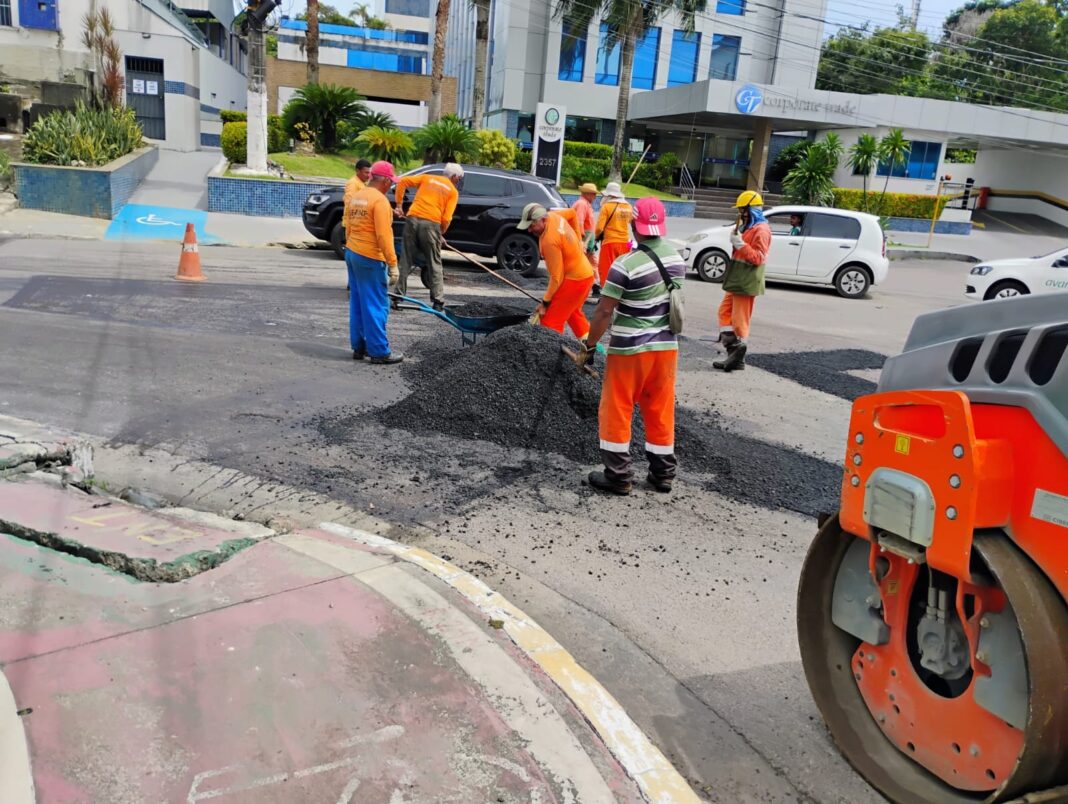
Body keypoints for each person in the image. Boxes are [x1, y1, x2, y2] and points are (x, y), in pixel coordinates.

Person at [576, 197, 685, 496]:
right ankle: (663, 474)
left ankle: (618, 476)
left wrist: (589, 345)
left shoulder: (625, 265)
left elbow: (603, 312)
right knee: (660, 407)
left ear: (634, 224)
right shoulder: (677, 260)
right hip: (666, 348)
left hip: (629, 351)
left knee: (617, 407)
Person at [344, 160, 404, 365]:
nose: (392, 186)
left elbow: (348, 227)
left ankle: (359, 347)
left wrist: (351, 249)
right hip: (370, 257)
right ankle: (378, 351)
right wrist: (393, 264)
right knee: (376, 304)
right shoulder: (380, 201)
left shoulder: (358, 196)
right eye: (391, 182)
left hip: (352, 252)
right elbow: (383, 236)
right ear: (385, 181)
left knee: (358, 301)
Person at [516, 202, 595, 340]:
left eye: (532, 225)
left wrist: (545, 303)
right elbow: (572, 213)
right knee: (572, 313)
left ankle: (550, 352)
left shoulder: (549, 241)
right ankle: (592, 348)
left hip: (575, 280)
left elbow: (556, 277)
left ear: (542, 219)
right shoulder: (553, 216)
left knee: (550, 321)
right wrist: (579, 240)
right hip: (586, 275)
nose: (529, 230)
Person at [714, 190, 772, 373]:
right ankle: (733, 351)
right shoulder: (748, 227)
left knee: (740, 320)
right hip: (738, 278)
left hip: (746, 281)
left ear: (752, 209)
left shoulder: (761, 230)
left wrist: (740, 244)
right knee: (724, 312)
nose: (741, 214)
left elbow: (758, 258)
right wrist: (738, 240)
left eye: (743, 210)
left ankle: (738, 359)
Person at [393, 163, 463, 311]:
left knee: (406, 259)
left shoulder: (427, 178)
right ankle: (438, 301)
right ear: (454, 177)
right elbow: (447, 218)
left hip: (412, 218)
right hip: (432, 223)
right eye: (459, 178)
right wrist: (440, 232)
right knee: (434, 262)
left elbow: (402, 181)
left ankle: (397, 297)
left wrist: (399, 205)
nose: (459, 181)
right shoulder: (452, 191)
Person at [594, 182, 633, 289]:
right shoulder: (628, 206)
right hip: (626, 242)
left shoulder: (606, 207)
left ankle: (606, 291)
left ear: (609, 195)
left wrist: (596, 237)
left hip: (610, 243)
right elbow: (631, 222)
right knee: (622, 268)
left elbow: (599, 228)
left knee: (606, 269)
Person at [572, 182, 598, 262]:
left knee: (591, 262)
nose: (595, 197)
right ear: (587, 194)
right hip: (584, 239)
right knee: (586, 262)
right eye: (594, 194)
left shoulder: (585, 204)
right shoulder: (582, 204)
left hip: (587, 238)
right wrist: (582, 241)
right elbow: (579, 222)